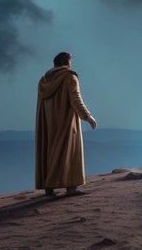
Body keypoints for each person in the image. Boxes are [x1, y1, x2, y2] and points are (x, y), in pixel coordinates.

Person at [35, 51, 97, 197]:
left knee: (48, 151)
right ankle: (71, 189)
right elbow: (75, 98)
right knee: (70, 151)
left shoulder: (43, 80)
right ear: (67, 62)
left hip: (48, 124)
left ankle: (48, 189)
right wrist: (88, 117)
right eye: (70, 60)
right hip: (65, 121)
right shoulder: (70, 77)